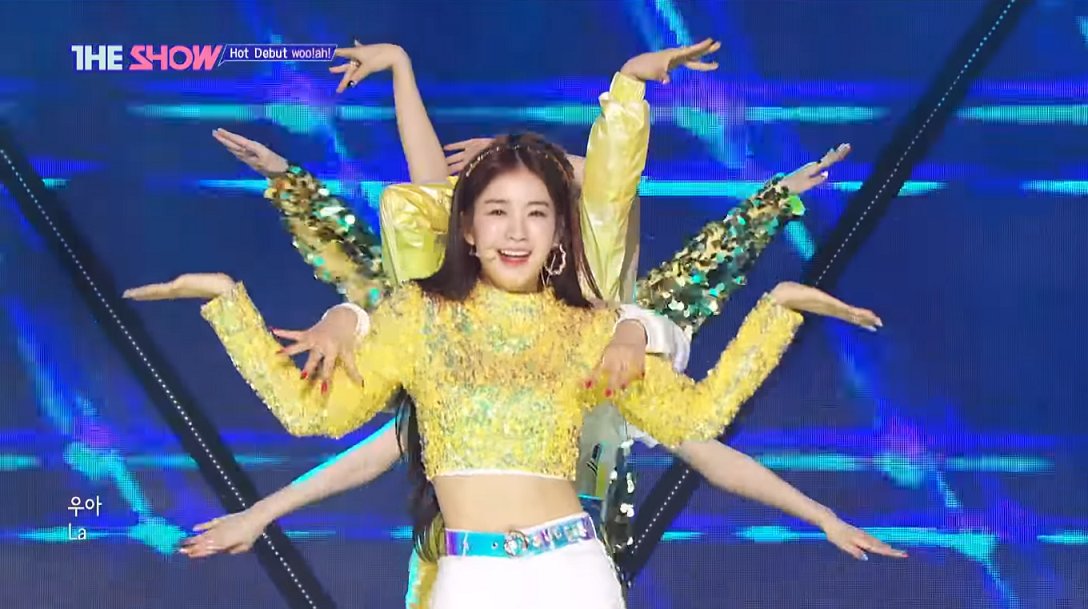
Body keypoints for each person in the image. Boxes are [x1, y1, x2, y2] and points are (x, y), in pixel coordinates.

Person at [125, 131, 900, 609]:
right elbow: (312, 415)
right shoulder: (417, 316)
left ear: (560, 231)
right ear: (468, 226)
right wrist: (228, 302)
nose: (517, 231)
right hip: (472, 579)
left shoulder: (592, 329)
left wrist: (776, 311)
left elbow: (696, 423)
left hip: (573, 571)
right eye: (498, 211)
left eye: (537, 213)